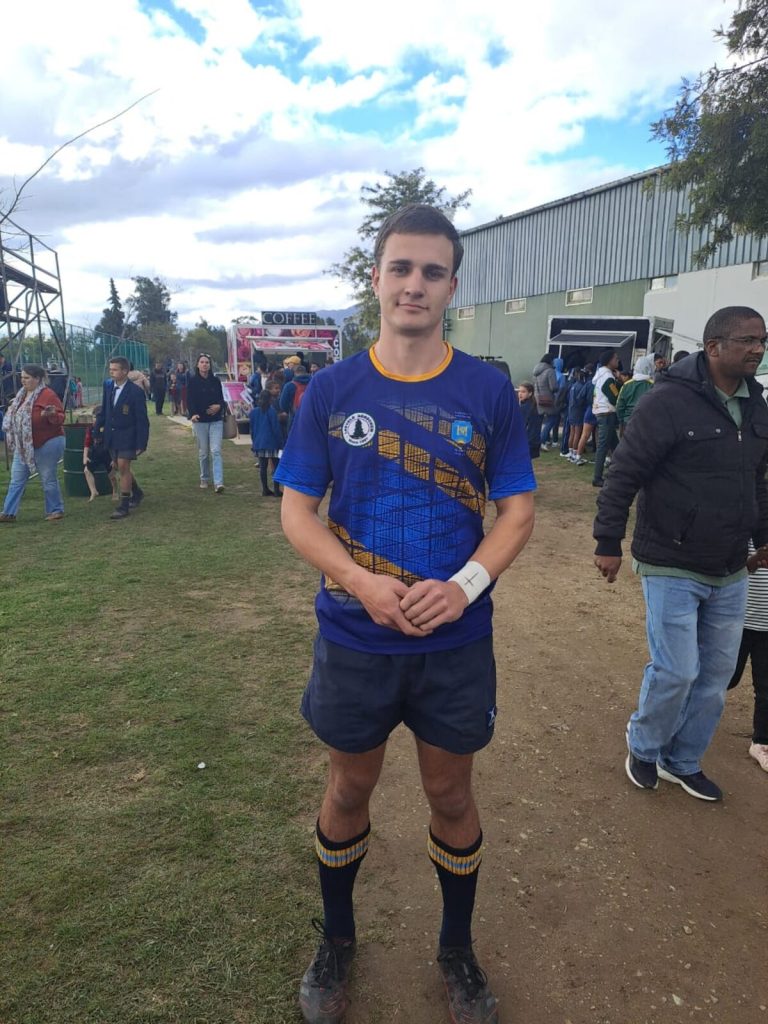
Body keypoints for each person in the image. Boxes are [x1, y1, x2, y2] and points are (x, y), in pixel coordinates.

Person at [274, 204, 536, 1024]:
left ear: (452, 286)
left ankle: (456, 950)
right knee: (349, 785)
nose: (414, 284)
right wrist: (359, 582)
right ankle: (337, 940)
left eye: (432, 271)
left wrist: (464, 586)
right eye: (401, 268)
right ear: (377, 279)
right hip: (355, 636)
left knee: (451, 796)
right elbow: (297, 511)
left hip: (455, 642)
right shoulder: (331, 390)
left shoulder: (487, 391)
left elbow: (518, 511)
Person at [593, 305, 768, 802]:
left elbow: (757, 480)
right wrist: (608, 541)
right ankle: (644, 746)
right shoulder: (667, 401)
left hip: (730, 565)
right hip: (670, 558)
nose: (757, 349)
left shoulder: (758, 405)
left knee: (714, 677)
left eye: (762, 340)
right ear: (714, 347)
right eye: (747, 340)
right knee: (677, 670)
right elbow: (624, 472)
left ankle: (682, 760)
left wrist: (763, 537)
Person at [0, 363, 66, 523]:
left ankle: (55, 509)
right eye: (22, 377)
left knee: (48, 477)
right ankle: (8, 513)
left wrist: (50, 415)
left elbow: (60, 418)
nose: (23, 380)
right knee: (16, 479)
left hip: (48, 441)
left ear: (37, 379)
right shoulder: (21, 396)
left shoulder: (48, 395)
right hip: (23, 445)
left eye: (27, 378)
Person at [727, 542, 768, 773]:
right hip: (737, 621)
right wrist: (753, 561)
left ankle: (762, 742)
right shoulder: (747, 529)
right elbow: (725, 566)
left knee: (766, 688)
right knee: (726, 678)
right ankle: (681, 716)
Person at [94, 357, 150, 521]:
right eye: (110, 369)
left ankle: (124, 505)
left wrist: (142, 442)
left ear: (125, 371)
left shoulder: (135, 392)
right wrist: (97, 429)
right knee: (118, 466)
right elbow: (105, 410)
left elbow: (142, 419)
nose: (111, 372)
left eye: (115, 369)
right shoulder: (108, 387)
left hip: (128, 434)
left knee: (124, 466)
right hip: (112, 435)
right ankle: (137, 492)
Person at [187, 353, 226, 493]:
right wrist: (193, 414)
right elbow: (189, 399)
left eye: (207, 362)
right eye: (202, 362)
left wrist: (219, 406)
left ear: (210, 365)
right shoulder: (192, 381)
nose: (204, 364)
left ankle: (218, 482)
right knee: (203, 452)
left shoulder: (215, 381)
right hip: (200, 421)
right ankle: (204, 477)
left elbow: (222, 399)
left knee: (216, 451)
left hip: (216, 420)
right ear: (198, 365)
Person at [591, 349, 620, 488]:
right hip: (606, 413)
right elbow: (614, 397)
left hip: (601, 411)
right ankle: (597, 477)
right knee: (603, 446)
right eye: (616, 358)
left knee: (617, 446)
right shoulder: (608, 377)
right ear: (609, 361)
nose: (618, 361)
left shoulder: (600, 374)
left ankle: (619, 471)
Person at [249, 387, 283, 496]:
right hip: (272, 443)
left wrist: (254, 442)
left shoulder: (253, 412)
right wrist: (280, 443)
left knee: (263, 467)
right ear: (270, 399)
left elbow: (252, 429)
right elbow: (276, 429)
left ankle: (265, 489)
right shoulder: (271, 411)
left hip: (259, 443)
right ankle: (277, 489)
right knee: (276, 466)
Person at [82, 408, 118, 501]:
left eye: (97, 418)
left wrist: (114, 459)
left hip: (107, 453)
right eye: (94, 417)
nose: (95, 420)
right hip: (96, 452)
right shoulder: (90, 428)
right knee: (87, 470)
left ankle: (115, 491)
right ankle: (93, 491)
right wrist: (85, 457)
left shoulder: (108, 428)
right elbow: (86, 444)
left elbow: (114, 445)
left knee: (112, 475)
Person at [615, 354, 654, 432]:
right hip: (647, 422)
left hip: (628, 421)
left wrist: (622, 420)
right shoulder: (654, 385)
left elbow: (619, 406)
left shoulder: (626, 385)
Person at [532, 352, 558, 448]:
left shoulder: (536, 371)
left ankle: (539, 440)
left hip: (538, 398)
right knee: (552, 419)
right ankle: (542, 441)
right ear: (550, 361)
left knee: (539, 421)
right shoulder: (550, 371)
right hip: (548, 399)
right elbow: (553, 387)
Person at [279, 360, 312, 434]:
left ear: (294, 373)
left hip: (295, 418)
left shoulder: (289, 386)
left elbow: (283, 405)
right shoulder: (313, 383)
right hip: (311, 419)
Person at [516, 380, 541, 459]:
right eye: (519, 391)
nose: (520, 394)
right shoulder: (529, 405)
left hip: (528, 442)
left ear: (530, 393)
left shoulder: (526, 408)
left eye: (523, 392)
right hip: (531, 442)